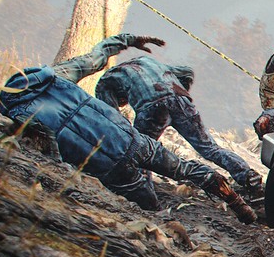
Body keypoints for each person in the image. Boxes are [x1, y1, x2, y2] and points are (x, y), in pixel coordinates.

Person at [0, 34, 256, 223]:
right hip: (129, 138)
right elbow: (93, 59)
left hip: (105, 165)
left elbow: (48, 150)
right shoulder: (50, 76)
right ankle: (235, 199)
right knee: (185, 167)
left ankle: (172, 229)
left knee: (150, 210)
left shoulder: (14, 119)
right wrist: (127, 39)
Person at [95, 52, 264, 197]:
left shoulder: (105, 81)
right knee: (210, 148)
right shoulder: (146, 61)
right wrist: (180, 92)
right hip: (181, 100)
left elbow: (114, 120)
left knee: (142, 152)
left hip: (151, 107)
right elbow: (187, 72)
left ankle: (144, 194)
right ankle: (249, 178)